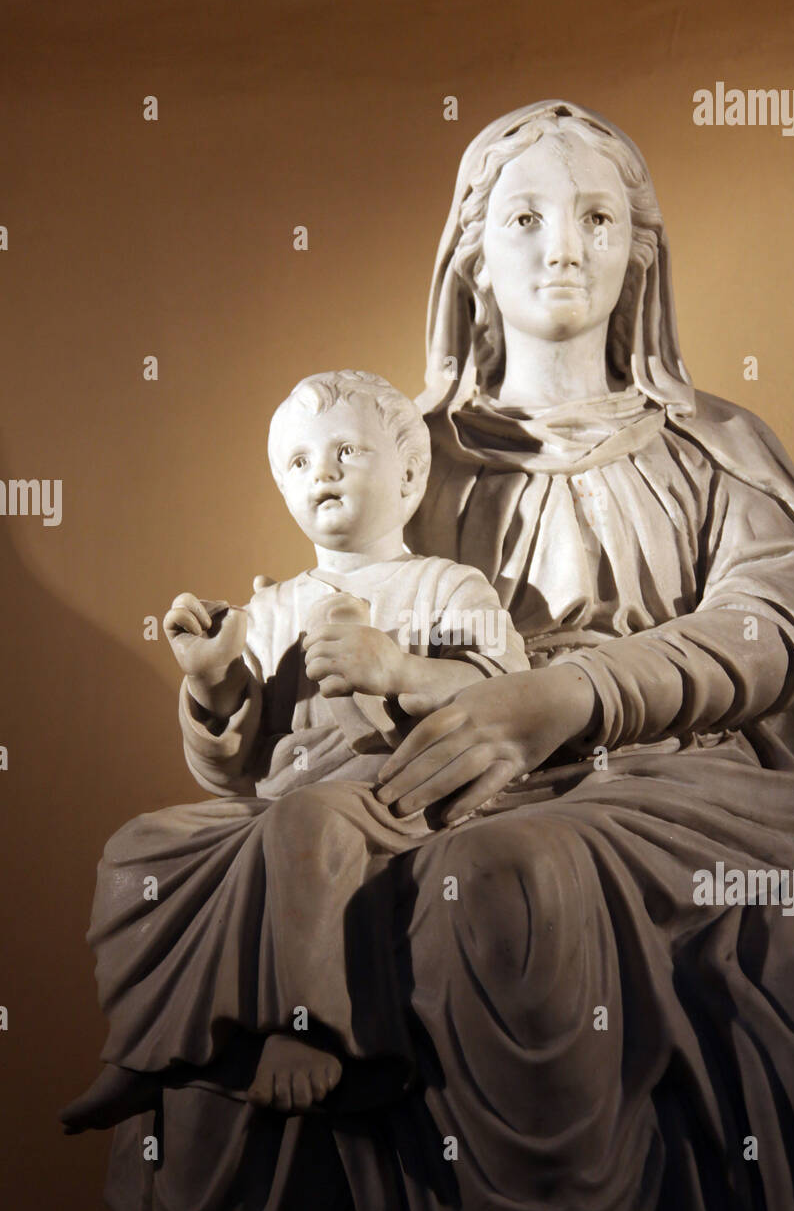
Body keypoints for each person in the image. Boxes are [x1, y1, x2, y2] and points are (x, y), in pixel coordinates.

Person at [71, 102, 794, 1211]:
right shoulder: (399, 451)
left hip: (661, 783)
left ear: (638, 253)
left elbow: (775, 626)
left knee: (501, 879)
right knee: (185, 870)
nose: (563, 246)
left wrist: (565, 698)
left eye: (597, 217)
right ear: (470, 254)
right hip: (410, 780)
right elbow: (293, 694)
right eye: (525, 218)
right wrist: (220, 706)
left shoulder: (713, 446)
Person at [60, 368, 527, 1134]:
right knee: (140, 847)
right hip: (279, 804)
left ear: (410, 475)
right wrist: (214, 680)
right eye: (301, 463)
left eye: (347, 451)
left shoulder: (447, 587)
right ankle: (147, 1047)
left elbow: (506, 695)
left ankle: (309, 1028)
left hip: (393, 799)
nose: (323, 474)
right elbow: (231, 772)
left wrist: (399, 671)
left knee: (304, 824)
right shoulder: (271, 607)